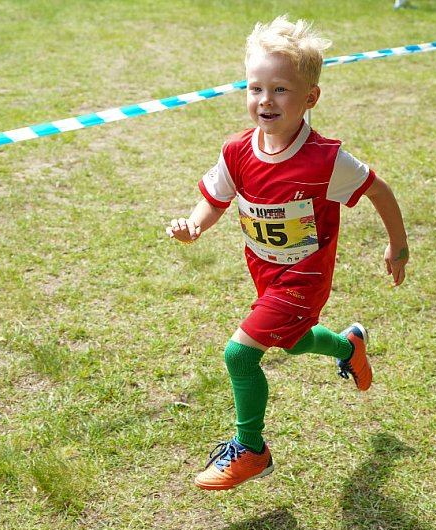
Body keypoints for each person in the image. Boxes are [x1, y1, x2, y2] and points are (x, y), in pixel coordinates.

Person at [166, 15, 409, 491]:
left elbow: (379, 190)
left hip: (304, 279)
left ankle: (252, 450)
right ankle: (348, 345)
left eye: (280, 89)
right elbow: (215, 199)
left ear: (310, 98)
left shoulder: (326, 160)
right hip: (264, 272)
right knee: (293, 341)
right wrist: (194, 225)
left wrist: (397, 247)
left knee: (240, 355)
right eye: (256, 88)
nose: (265, 100)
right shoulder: (237, 150)